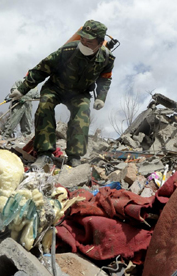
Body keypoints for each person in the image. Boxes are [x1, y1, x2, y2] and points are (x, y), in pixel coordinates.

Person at [8, 20, 115, 167]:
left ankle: (74, 157)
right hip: (55, 87)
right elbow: (41, 69)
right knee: (45, 106)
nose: (84, 43)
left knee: (82, 113)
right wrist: (22, 89)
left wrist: (101, 98)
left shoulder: (107, 58)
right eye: (82, 38)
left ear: (100, 42)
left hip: (80, 93)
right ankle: (44, 154)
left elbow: (105, 79)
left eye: (89, 41)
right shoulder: (67, 50)